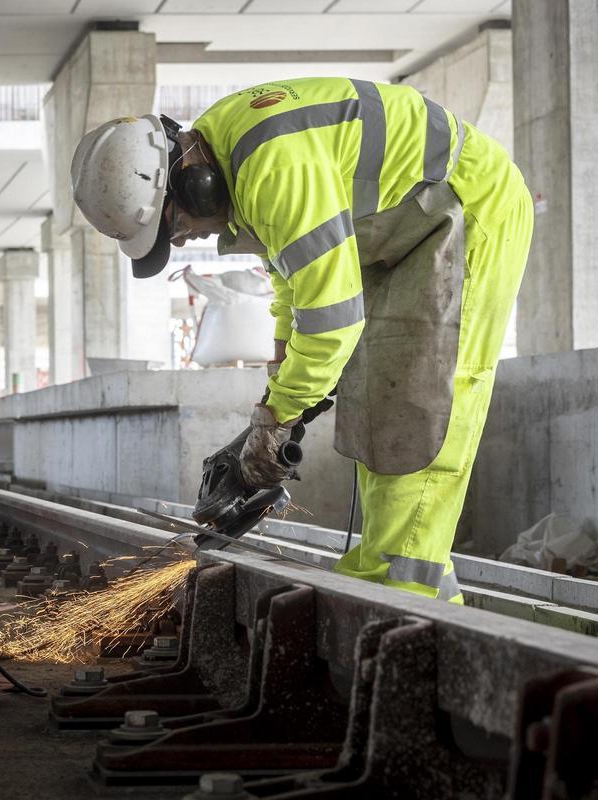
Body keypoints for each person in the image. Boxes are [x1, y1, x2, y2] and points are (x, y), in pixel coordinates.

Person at [71, 78, 532, 603]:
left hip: (466, 207)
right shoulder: (233, 151)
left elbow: (332, 319)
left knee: (425, 403)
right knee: (382, 406)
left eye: (174, 227)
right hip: (402, 232)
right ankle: (380, 570)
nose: (183, 239)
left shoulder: (273, 167)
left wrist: (278, 416)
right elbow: (294, 280)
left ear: (192, 181)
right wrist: (281, 375)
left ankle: (411, 596)